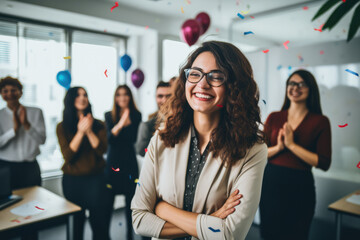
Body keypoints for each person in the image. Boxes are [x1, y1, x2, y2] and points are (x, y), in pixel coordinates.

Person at [131, 41, 268, 240]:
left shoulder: (253, 149)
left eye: (216, 76)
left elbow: (229, 233)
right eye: (195, 74)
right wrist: (210, 220)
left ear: (234, 86)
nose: (202, 84)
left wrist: (162, 209)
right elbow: (139, 219)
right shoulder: (162, 138)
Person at [259, 70, 332, 240]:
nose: (295, 88)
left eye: (301, 84)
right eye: (291, 83)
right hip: (271, 184)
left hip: (300, 187)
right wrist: (279, 147)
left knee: (297, 235)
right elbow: (260, 153)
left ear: (310, 89)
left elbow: (323, 163)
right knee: (269, 234)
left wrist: (292, 145)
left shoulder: (320, 121)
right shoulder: (274, 117)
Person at [56, 87, 110, 240]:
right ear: (70, 100)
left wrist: (89, 131)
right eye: (78, 95)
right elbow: (68, 156)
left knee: (100, 226)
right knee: (75, 226)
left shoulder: (99, 124)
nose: (82, 98)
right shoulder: (62, 126)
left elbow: (102, 150)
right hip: (73, 182)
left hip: (96, 181)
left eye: (85, 95)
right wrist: (80, 132)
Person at [104, 85, 142, 240]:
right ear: (115, 97)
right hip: (113, 162)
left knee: (130, 203)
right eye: (119, 94)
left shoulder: (137, 115)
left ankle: (129, 236)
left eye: (125, 94)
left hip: (129, 163)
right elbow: (110, 140)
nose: (122, 97)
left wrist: (121, 128)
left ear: (130, 96)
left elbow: (132, 139)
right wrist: (121, 123)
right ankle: (104, 235)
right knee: (107, 202)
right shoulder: (108, 115)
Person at [0, 76, 46, 190]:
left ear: (20, 92)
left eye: (13, 90)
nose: (10, 94)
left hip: (31, 167)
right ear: (1, 94)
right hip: (6, 167)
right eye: (5, 91)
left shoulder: (36, 112)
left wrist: (26, 125)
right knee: (7, 204)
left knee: (35, 202)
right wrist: (14, 130)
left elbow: (42, 140)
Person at [135, 81, 172, 157]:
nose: (164, 100)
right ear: (155, 97)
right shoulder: (147, 125)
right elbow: (142, 151)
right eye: (160, 96)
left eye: (168, 96)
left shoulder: (181, 121)